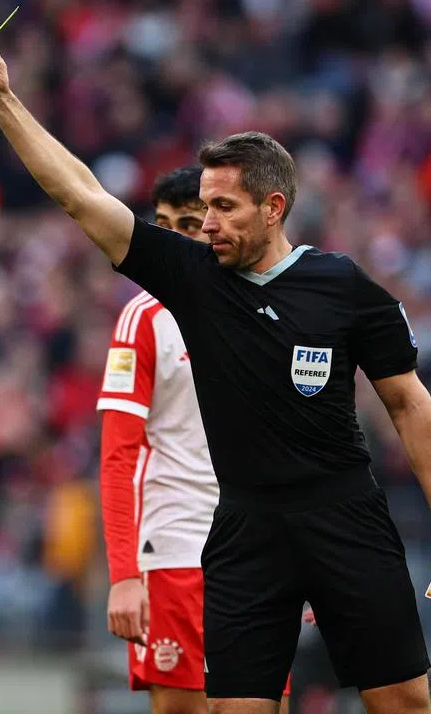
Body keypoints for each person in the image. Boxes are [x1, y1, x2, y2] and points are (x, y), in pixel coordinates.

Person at [0, 34, 431, 714]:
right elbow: (82, 197)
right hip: (244, 529)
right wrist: (3, 101)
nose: (207, 224)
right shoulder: (194, 279)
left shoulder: (343, 288)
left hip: (343, 513)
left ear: (273, 209)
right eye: (203, 207)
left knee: (405, 701)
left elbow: (410, 404)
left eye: (224, 208)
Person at [100, 167, 290, 714]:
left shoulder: (267, 312)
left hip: (259, 552)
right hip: (178, 550)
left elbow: (289, 449)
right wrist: (125, 576)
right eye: (160, 225)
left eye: (187, 224)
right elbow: (118, 456)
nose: (172, 238)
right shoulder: (143, 317)